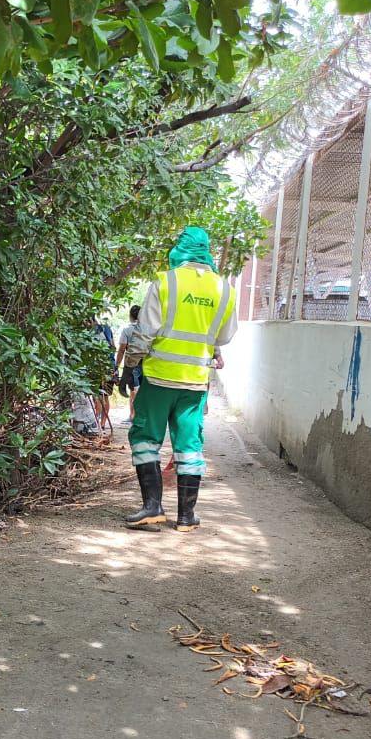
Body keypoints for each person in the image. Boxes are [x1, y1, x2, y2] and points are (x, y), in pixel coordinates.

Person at [122, 227, 236, 533]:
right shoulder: (224, 288)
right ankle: (186, 516)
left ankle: (152, 508)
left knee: (146, 440)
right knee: (189, 446)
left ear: (180, 249)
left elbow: (144, 333)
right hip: (195, 384)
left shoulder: (166, 281)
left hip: (159, 379)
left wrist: (129, 366)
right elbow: (223, 336)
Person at [114, 305, 144, 415]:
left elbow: (121, 350)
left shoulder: (127, 331)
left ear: (131, 316)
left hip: (132, 363)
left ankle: (133, 414)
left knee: (134, 390)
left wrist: (116, 365)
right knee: (143, 389)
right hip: (147, 363)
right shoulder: (148, 330)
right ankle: (139, 414)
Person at [90, 316, 115, 434]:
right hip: (109, 366)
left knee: (97, 396)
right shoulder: (106, 328)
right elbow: (113, 347)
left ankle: (97, 423)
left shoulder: (90, 332)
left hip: (97, 367)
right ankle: (102, 423)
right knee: (104, 396)